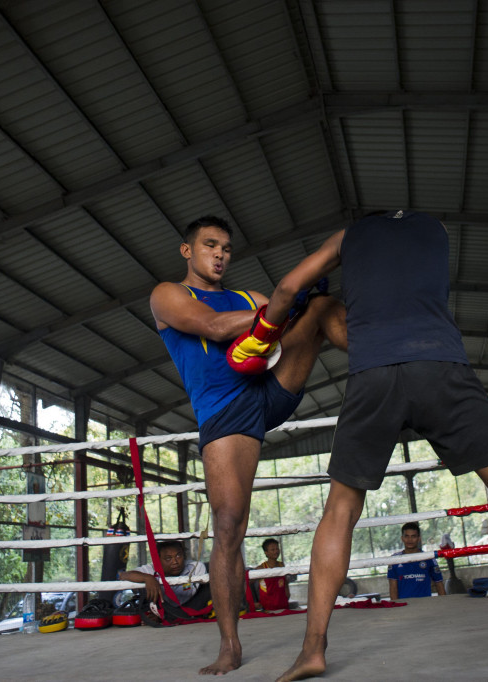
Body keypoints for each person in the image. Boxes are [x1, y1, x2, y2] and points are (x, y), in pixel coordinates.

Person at [227, 210, 488, 679]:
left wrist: (261, 338)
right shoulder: (436, 229)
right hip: (441, 364)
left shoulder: (348, 236)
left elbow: (285, 290)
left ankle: (312, 649)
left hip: (372, 373)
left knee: (340, 510)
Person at [149, 216, 346, 674]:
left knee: (320, 309)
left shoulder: (247, 296)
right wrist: (282, 308)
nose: (219, 254)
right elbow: (217, 327)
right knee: (229, 525)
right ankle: (230, 645)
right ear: (187, 251)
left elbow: (285, 314)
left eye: (226, 249)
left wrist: (300, 304)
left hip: (269, 387)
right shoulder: (168, 294)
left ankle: (378, 353)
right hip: (225, 410)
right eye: (210, 245)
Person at [119, 540, 210, 615]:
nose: (175, 562)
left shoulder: (196, 567)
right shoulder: (151, 569)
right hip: (165, 610)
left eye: (178, 555)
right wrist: (148, 578)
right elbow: (123, 575)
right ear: (158, 560)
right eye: (168, 558)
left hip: (191, 608)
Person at [387, 522, 445, 599]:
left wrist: (445, 605)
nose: (410, 540)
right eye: (406, 536)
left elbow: (439, 584)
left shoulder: (428, 558)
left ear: (419, 538)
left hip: (425, 606)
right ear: (402, 538)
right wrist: (395, 608)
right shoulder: (394, 560)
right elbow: (393, 588)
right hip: (404, 606)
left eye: (413, 536)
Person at [253, 538, 291, 611]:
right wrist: (253, 603)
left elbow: (285, 583)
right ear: (266, 552)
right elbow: (247, 584)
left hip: (283, 605)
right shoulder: (260, 568)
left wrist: (287, 594)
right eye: (273, 550)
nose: (276, 551)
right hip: (268, 608)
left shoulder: (281, 565)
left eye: (277, 549)